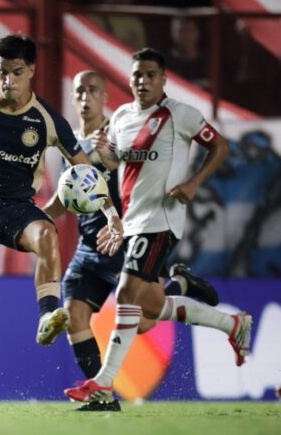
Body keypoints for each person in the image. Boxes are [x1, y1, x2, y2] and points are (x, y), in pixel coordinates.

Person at [0, 34, 123, 414]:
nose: (8, 80)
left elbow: (87, 171)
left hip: (17, 208)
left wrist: (112, 215)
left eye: (16, 72)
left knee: (47, 232)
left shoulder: (47, 119)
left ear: (31, 70)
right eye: (2, 72)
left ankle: (48, 313)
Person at [64, 48, 252, 405]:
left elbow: (220, 147)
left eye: (151, 75)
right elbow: (115, 162)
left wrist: (194, 183)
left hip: (162, 219)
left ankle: (103, 382)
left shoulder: (180, 114)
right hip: (133, 222)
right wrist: (104, 151)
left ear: (163, 79)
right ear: (130, 79)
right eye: (138, 75)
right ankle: (233, 324)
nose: (143, 81)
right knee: (150, 308)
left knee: (125, 294)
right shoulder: (121, 117)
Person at [44, 70, 219, 412]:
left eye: (92, 90)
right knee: (75, 315)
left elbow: (142, 184)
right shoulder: (71, 144)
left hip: (126, 241)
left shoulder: (120, 134)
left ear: (105, 96)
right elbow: (68, 196)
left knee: (144, 322)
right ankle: (102, 397)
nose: (85, 97)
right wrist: (36, 217)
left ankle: (180, 283)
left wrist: (124, 224)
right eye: (79, 91)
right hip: (89, 247)